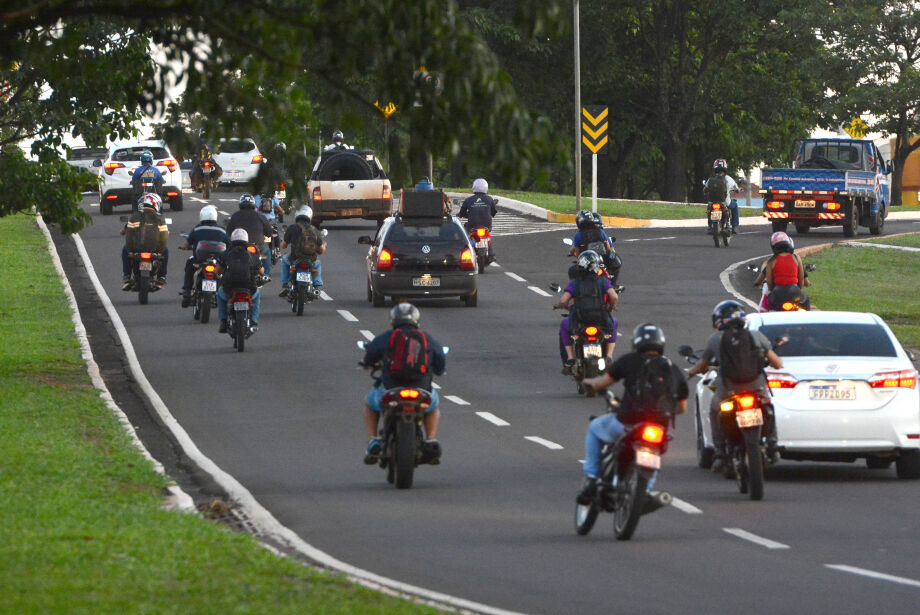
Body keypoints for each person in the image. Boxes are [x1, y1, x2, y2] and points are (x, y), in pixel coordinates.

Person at [577, 324, 689, 502]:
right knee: (654, 455)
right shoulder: (673, 369)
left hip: (626, 424)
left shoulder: (629, 360)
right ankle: (646, 491)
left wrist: (589, 383)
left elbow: (602, 383)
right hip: (659, 430)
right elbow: (682, 408)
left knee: (594, 427)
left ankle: (591, 477)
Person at [686, 300, 783, 473]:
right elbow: (777, 363)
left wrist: (690, 372)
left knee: (715, 411)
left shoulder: (716, 339)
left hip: (729, 390)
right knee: (769, 408)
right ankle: (772, 445)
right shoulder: (756, 336)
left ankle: (721, 453)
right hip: (757, 389)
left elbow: (701, 365)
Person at [360, 303, 447, 464]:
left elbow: (370, 355)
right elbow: (440, 360)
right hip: (421, 391)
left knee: (369, 403)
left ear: (393, 321)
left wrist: (366, 363)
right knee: (433, 406)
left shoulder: (386, 337)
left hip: (390, 389)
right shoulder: (426, 338)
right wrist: (439, 370)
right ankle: (430, 440)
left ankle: (374, 440)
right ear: (416, 321)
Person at [553, 250, 619, 373]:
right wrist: (610, 307)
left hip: (580, 319)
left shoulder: (575, 283)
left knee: (564, 326)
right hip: (601, 318)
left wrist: (563, 306)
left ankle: (571, 358)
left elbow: (564, 300)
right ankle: (609, 356)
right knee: (614, 324)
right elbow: (614, 297)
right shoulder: (603, 282)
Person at [178, 205, 228, 307]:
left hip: (199, 260)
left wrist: (184, 247)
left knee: (189, 265)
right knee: (226, 271)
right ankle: (226, 292)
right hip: (217, 261)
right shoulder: (222, 230)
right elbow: (229, 245)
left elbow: (187, 244)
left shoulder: (197, 229)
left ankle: (187, 291)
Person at [216, 228, 264, 333]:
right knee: (257, 296)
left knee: (220, 294)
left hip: (229, 287)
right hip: (249, 287)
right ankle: (254, 321)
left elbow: (217, 271)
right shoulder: (252, 254)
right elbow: (261, 271)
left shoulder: (225, 253)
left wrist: (219, 274)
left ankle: (223, 321)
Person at [753, 232, 810, 311]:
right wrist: (798, 290)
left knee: (768, 303)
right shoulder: (796, 258)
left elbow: (770, 285)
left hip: (777, 294)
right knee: (806, 299)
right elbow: (801, 280)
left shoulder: (771, 261)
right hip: (795, 292)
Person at [122, 193, 169, 289]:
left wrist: (130, 251)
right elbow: (164, 237)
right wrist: (160, 252)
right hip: (154, 250)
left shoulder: (134, 217)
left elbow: (129, 236)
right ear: (156, 204)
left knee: (124, 250)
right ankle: (161, 277)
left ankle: (127, 276)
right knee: (166, 251)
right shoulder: (160, 219)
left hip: (137, 249)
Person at [279, 205, 325, 297]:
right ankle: (316, 286)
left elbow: (284, 246)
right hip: (311, 259)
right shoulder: (315, 230)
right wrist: (324, 245)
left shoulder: (292, 228)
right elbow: (320, 251)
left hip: (295, 258)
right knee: (318, 264)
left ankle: (285, 284)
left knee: (284, 259)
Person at [226, 193, 275, 276]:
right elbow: (269, 233)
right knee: (267, 253)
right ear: (253, 204)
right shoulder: (260, 216)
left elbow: (228, 233)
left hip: (239, 246)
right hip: (257, 247)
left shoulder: (235, 216)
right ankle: (266, 274)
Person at [457, 178, 499, 260]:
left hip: (473, 224)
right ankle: (491, 254)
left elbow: (462, 212)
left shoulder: (468, 200)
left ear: (474, 187)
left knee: (466, 236)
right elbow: (493, 212)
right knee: (487, 236)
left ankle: (467, 250)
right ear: (486, 187)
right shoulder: (489, 199)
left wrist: (462, 215)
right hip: (486, 224)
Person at [704, 158, 740, 234]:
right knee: (735, 205)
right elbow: (737, 190)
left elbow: (705, 189)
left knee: (708, 210)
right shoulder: (729, 179)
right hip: (725, 203)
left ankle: (710, 226)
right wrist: (737, 190)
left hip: (712, 203)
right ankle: (735, 226)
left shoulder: (710, 180)